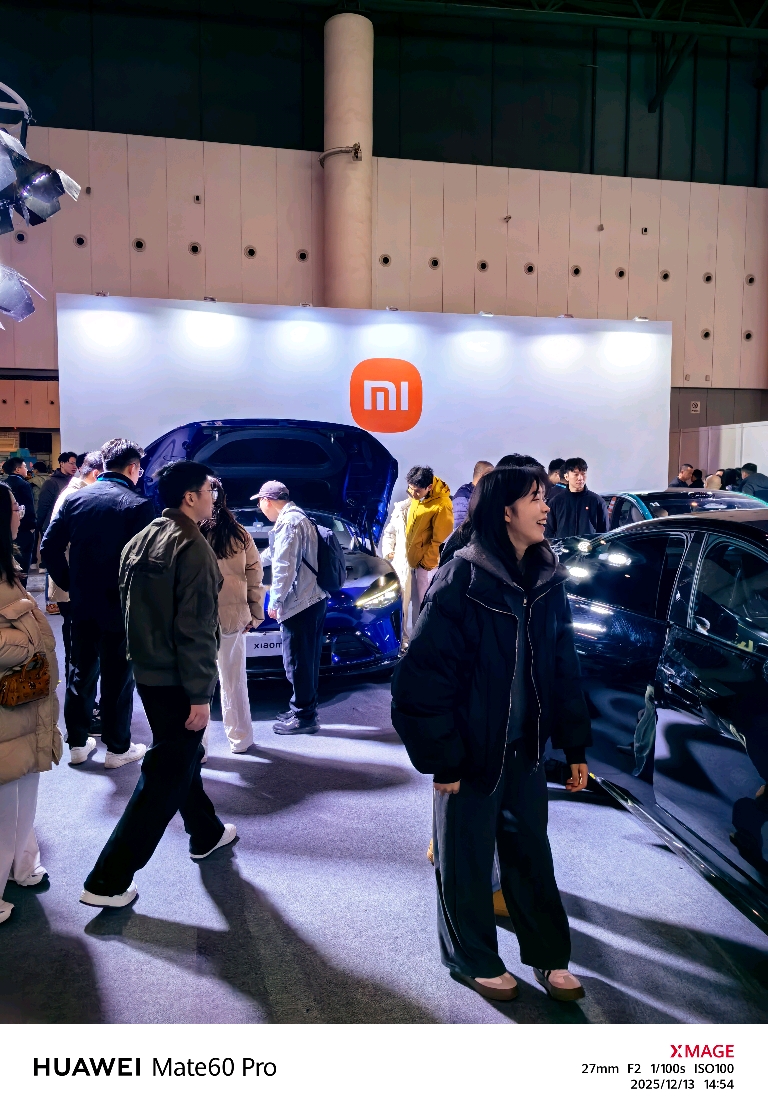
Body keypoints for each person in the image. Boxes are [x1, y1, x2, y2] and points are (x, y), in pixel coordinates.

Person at [391, 466, 591, 1004]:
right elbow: (420, 679)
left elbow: (564, 668)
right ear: (505, 511)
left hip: (525, 751)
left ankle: (550, 956)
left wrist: (574, 746)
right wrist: (443, 758)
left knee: (531, 856)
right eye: (535, 499)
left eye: (545, 498)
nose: (546, 508)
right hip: (469, 752)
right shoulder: (462, 577)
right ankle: (472, 958)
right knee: (466, 860)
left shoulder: (548, 578)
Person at [80, 461, 233, 910]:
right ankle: (107, 880)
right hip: (178, 678)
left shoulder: (142, 538)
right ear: (190, 497)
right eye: (208, 490)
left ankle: (205, 832)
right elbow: (196, 629)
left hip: (147, 672)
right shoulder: (193, 548)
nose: (213, 498)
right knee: (164, 773)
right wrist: (201, 695)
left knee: (181, 757)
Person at [41, 439, 155, 768]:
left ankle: (77, 743)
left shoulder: (74, 498)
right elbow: (148, 563)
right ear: (132, 468)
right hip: (121, 605)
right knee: (118, 676)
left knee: (80, 671)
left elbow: (49, 547)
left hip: (82, 601)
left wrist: (69, 583)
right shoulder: (138, 504)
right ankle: (117, 749)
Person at [0, 482, 62, 925]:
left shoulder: (10, 564)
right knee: (6, 797)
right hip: (9, 704)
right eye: (15, 506)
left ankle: (23, 863)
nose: (21, 511)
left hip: (24, 699)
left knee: (23, 786)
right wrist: (26, 645)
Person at [255, 481, 328, 735]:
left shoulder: (289, 523)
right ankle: (303, 708)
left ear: (267, 501)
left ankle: (304, 717)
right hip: (313, 599)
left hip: (299, 604)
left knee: (297, 664)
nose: (260, 508)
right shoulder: (299, 517)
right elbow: (276, 554)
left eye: (260, 502)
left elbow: (284, 567)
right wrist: (252, 560)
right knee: (307, 661)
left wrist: (275, 601)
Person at [200, 482, 265, 754]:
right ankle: (241, 739)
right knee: (234, 680)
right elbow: (255, 574)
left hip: (197, 618)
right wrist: (255, 613)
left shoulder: (190, 531)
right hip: (232, 615)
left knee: (196, 684)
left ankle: (198, 748)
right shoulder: (239, 533)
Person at [47, 452, 104, 684]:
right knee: (78, 648)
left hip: (73, 583)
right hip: (74, 583)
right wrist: (69, 583)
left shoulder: (74, 492)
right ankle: (79, 698)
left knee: (78, 644)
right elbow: (52, 547)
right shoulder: (77, 495)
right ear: (96, 474)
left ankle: (79, 693)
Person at [403, 465, 453, 635]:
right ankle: (416, 640)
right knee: (416, 607)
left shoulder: (442, 504)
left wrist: (426, 564)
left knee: (426, 609)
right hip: (414, 562)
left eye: (417, 490)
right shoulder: (418, 497)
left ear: (429, 487)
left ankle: (426, 641)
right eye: (410, 488)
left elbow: (440, 539)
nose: (412, 493)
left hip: (426, 566)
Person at [37, 451, 78, 615]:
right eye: (71, 463)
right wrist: (42, 529)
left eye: (75, 463)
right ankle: (50, 602)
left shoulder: (74, 483)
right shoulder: (51, 482)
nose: (74, 466)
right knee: (52, 565)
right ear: (61, 463)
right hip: (52, 529)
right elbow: (43, 508)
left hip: (68, 531)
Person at [544, 457, 608, 541]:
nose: (580, 478)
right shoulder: (556, 502)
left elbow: (604, 531)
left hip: (590, 547)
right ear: (566, 476)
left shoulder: (597, 501)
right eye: (576, 474)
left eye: (583, 474)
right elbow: (549, 532)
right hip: (563, 547)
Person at [381, 493, 411, 651]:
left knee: (422, 603)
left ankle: (420, 640)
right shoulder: (400, 508)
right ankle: (403, 640)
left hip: (423, 563)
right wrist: (388, 551)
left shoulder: (431, 507)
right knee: (402, 603)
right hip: (402, 562)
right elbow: (389, 533)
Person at [2, 458, 36, 585]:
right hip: (24, 530)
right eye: (24, 466)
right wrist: (32, 526)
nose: (27, 469)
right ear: (17, 469)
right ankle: (21, 591)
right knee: (23, 565)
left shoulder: (3, 484)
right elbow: (29, 508)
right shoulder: (24, 484)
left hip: (6, 531)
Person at [451, 461, 493, 533]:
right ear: (484, 476)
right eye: (493, 476)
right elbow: (459, 528)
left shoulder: (486, 496)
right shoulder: (463, 496)